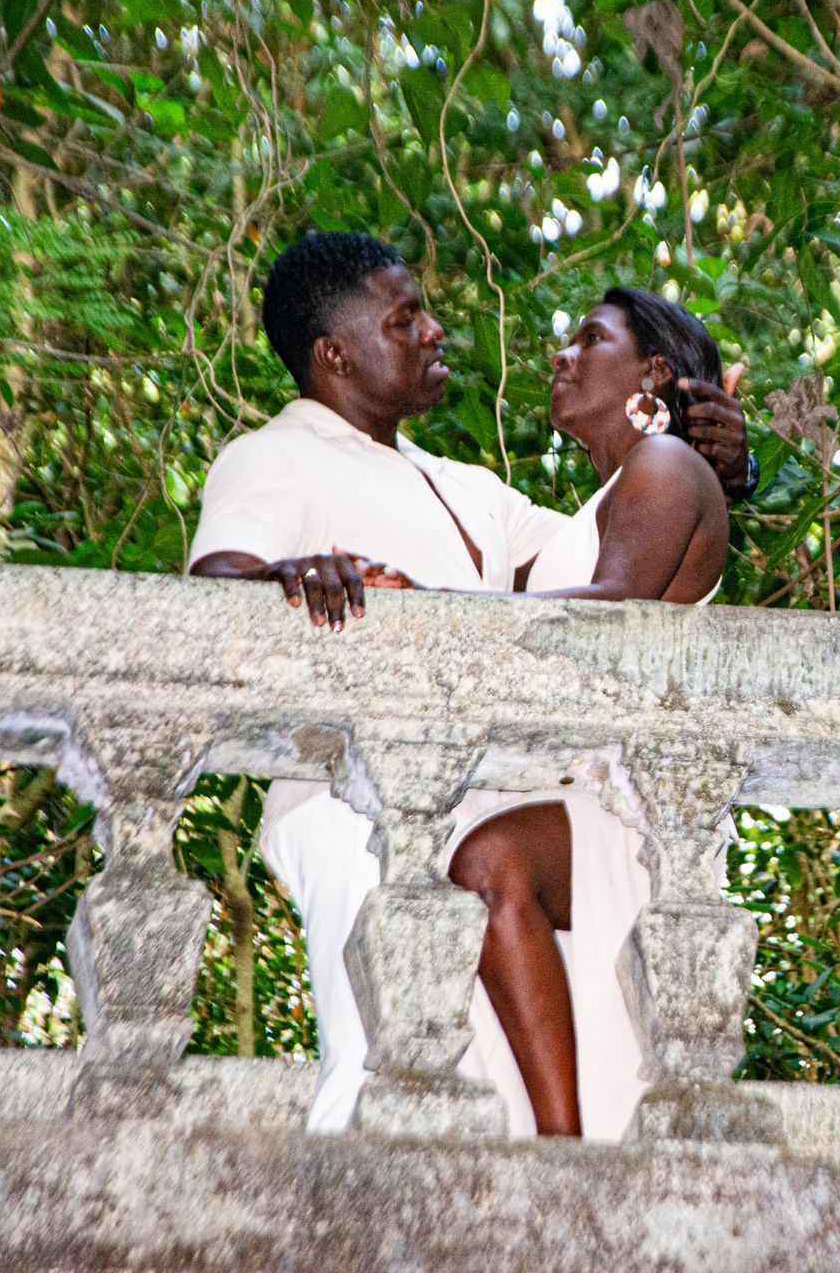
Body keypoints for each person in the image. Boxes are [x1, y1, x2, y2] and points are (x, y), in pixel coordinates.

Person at [185, 232, 751, 1133]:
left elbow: (606, 576)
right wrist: (287, 573)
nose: (435, 330)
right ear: (334, 354)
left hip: (486, 802)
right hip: (351, 799)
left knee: (487, 1084)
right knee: (379, 1058)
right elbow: (210, 593)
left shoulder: (471, 487)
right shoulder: (272, 456)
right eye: (406, 318)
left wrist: (721, 465)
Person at [444, 288, 730, 1140]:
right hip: (566, 786)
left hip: (625, 807)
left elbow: (605, 614)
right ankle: (542, 1136)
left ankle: (564, 1152)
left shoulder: (669, 466)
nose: (561, 356)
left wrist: (438, 617)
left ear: (653, 371)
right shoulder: (605, 496)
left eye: (589, 338)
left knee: (490, 862)